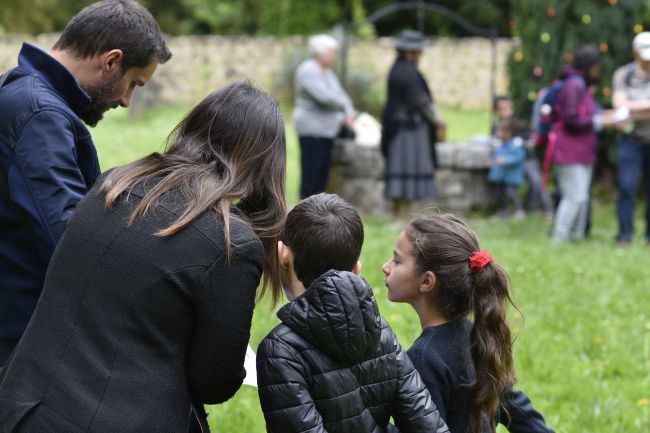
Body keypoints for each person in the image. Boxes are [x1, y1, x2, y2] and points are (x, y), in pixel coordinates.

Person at [0, 81, 287, 433]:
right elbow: (215, 381)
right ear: (266, 164)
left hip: (23, 404)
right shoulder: (231, 242)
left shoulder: (114, 184)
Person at [0, 0, 171, 363]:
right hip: (18, 341)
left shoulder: (22, 94)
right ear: (111, 61)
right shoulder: (39, 114)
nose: (126, 100)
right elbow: (67, 238)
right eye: (132, 83)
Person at [256, 193, 449, 433]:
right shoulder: (379, 330)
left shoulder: (280, 351)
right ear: (356, 268)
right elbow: (428, 425)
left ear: (283, 255)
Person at [382, 214, 554, 433]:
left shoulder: (425, 359)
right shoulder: (477, 335)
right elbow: (519, 409)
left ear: (427, 281)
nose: (386, 267)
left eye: (397, 261)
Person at [381, 30, 445, 219]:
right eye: (418, 51)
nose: (421, 55)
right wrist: (439, 121)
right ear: (410, 51)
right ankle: (400, 216)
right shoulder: (407, 72)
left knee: (404, 170)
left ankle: (401, 215)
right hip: (407, 130)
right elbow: (422, 102)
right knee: (405, 169)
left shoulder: (398, 68)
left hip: (401, 127)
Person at [549, 44, 601, 243]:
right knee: (575, 196)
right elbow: (570, 118)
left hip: (583, 150)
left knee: (583, 197)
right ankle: (559, 238)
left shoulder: (582, 84)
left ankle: (576, 238)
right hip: (569, 150)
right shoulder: (574, 84)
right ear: (592, 65)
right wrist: (598, 121)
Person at [293, 34, 355, 199]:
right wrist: (342, 103)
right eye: (331, 52)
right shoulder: (308, 70)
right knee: (311, 172)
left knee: (322, 174)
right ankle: (305, 209)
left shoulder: (327, 72)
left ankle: (318, 210)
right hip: (312, 129)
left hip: (327, 130)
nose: (334, 56)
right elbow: (325, 98)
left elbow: (342, 95)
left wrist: (349, 113)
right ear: (320, 52)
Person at [612, 32, 650, 245]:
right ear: (635, 53)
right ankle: (625, 235)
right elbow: (619, 106)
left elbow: (626, 109)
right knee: (627, 186)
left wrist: (632, 108)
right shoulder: (623, 74)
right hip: (631, 141)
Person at [492, 96, 553, 218]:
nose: (504, 110)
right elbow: (494, 140)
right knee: (505, 186)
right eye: (501, 108)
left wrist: (522, 142)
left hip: (525, 158)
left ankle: (547, 210)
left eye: (507, 107)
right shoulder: (496, 125)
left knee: (537, 182)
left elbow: (530, 139)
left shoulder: (518, 123)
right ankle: (509, 210)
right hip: (508, 161)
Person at [487, 119, 527, 219]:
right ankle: (502, 212)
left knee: (511, 193)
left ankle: (519, 211)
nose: (497, 133)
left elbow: (518, 157)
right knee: (499, 194)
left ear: (507, 132)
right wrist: (492, 161)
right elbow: (496, 156)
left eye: (500, 131)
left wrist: (506, 160)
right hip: (499, 176)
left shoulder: (515, 144)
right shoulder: (499, 144)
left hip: (510, 175)